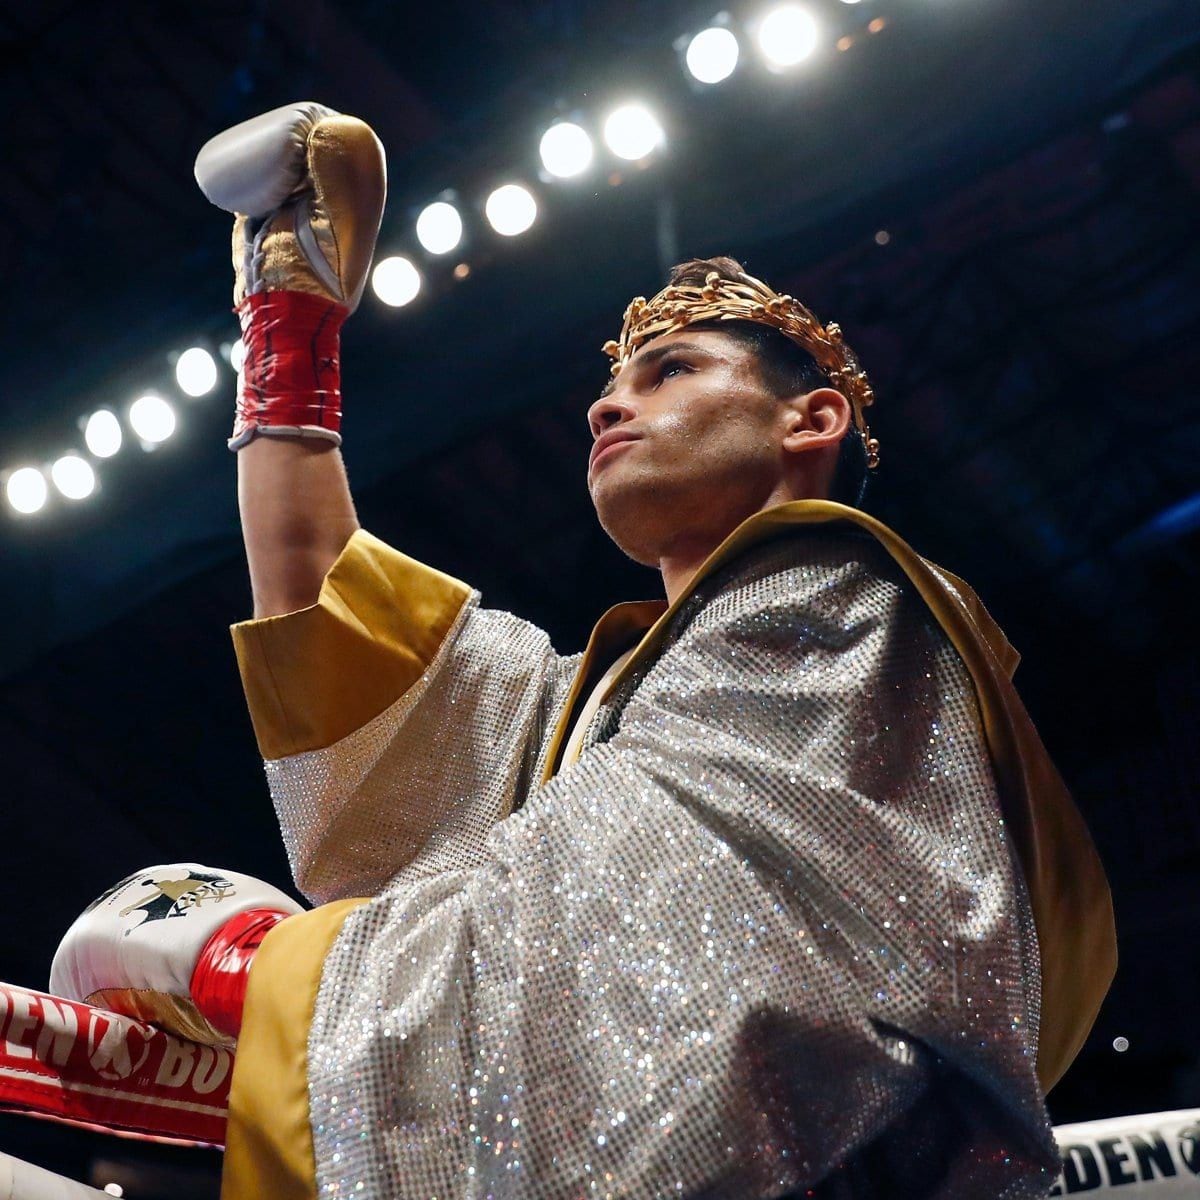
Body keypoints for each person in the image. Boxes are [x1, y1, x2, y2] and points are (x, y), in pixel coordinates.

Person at [193, 103, 1116, 1199]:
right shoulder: (610, 713)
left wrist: (280, 973)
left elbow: (692, 1014)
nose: (606, 406)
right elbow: (338, 644)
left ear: (810, 420)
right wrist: (290, 325)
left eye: (670, 372)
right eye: (611, 387)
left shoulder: (845, 606)